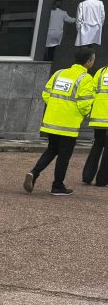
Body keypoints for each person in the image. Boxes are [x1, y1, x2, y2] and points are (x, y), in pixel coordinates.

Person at [25, 47, 96, 196]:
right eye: (93, 59)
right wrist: (83, 114)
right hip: (68, 124)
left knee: (52, 149)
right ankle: (57, 186)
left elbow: (46, 94)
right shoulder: (86, 78)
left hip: (51, 121)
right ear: (88, 62)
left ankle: (34, 173)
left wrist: (55, 107)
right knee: (64, 155)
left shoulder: (59, 73)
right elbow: (84, 103)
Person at [82, 59, 108, 186]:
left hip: (98, 117)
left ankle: (87, 176)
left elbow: (92, 92)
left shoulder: (101, 72)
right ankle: (102, 180)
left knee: (97, 144)